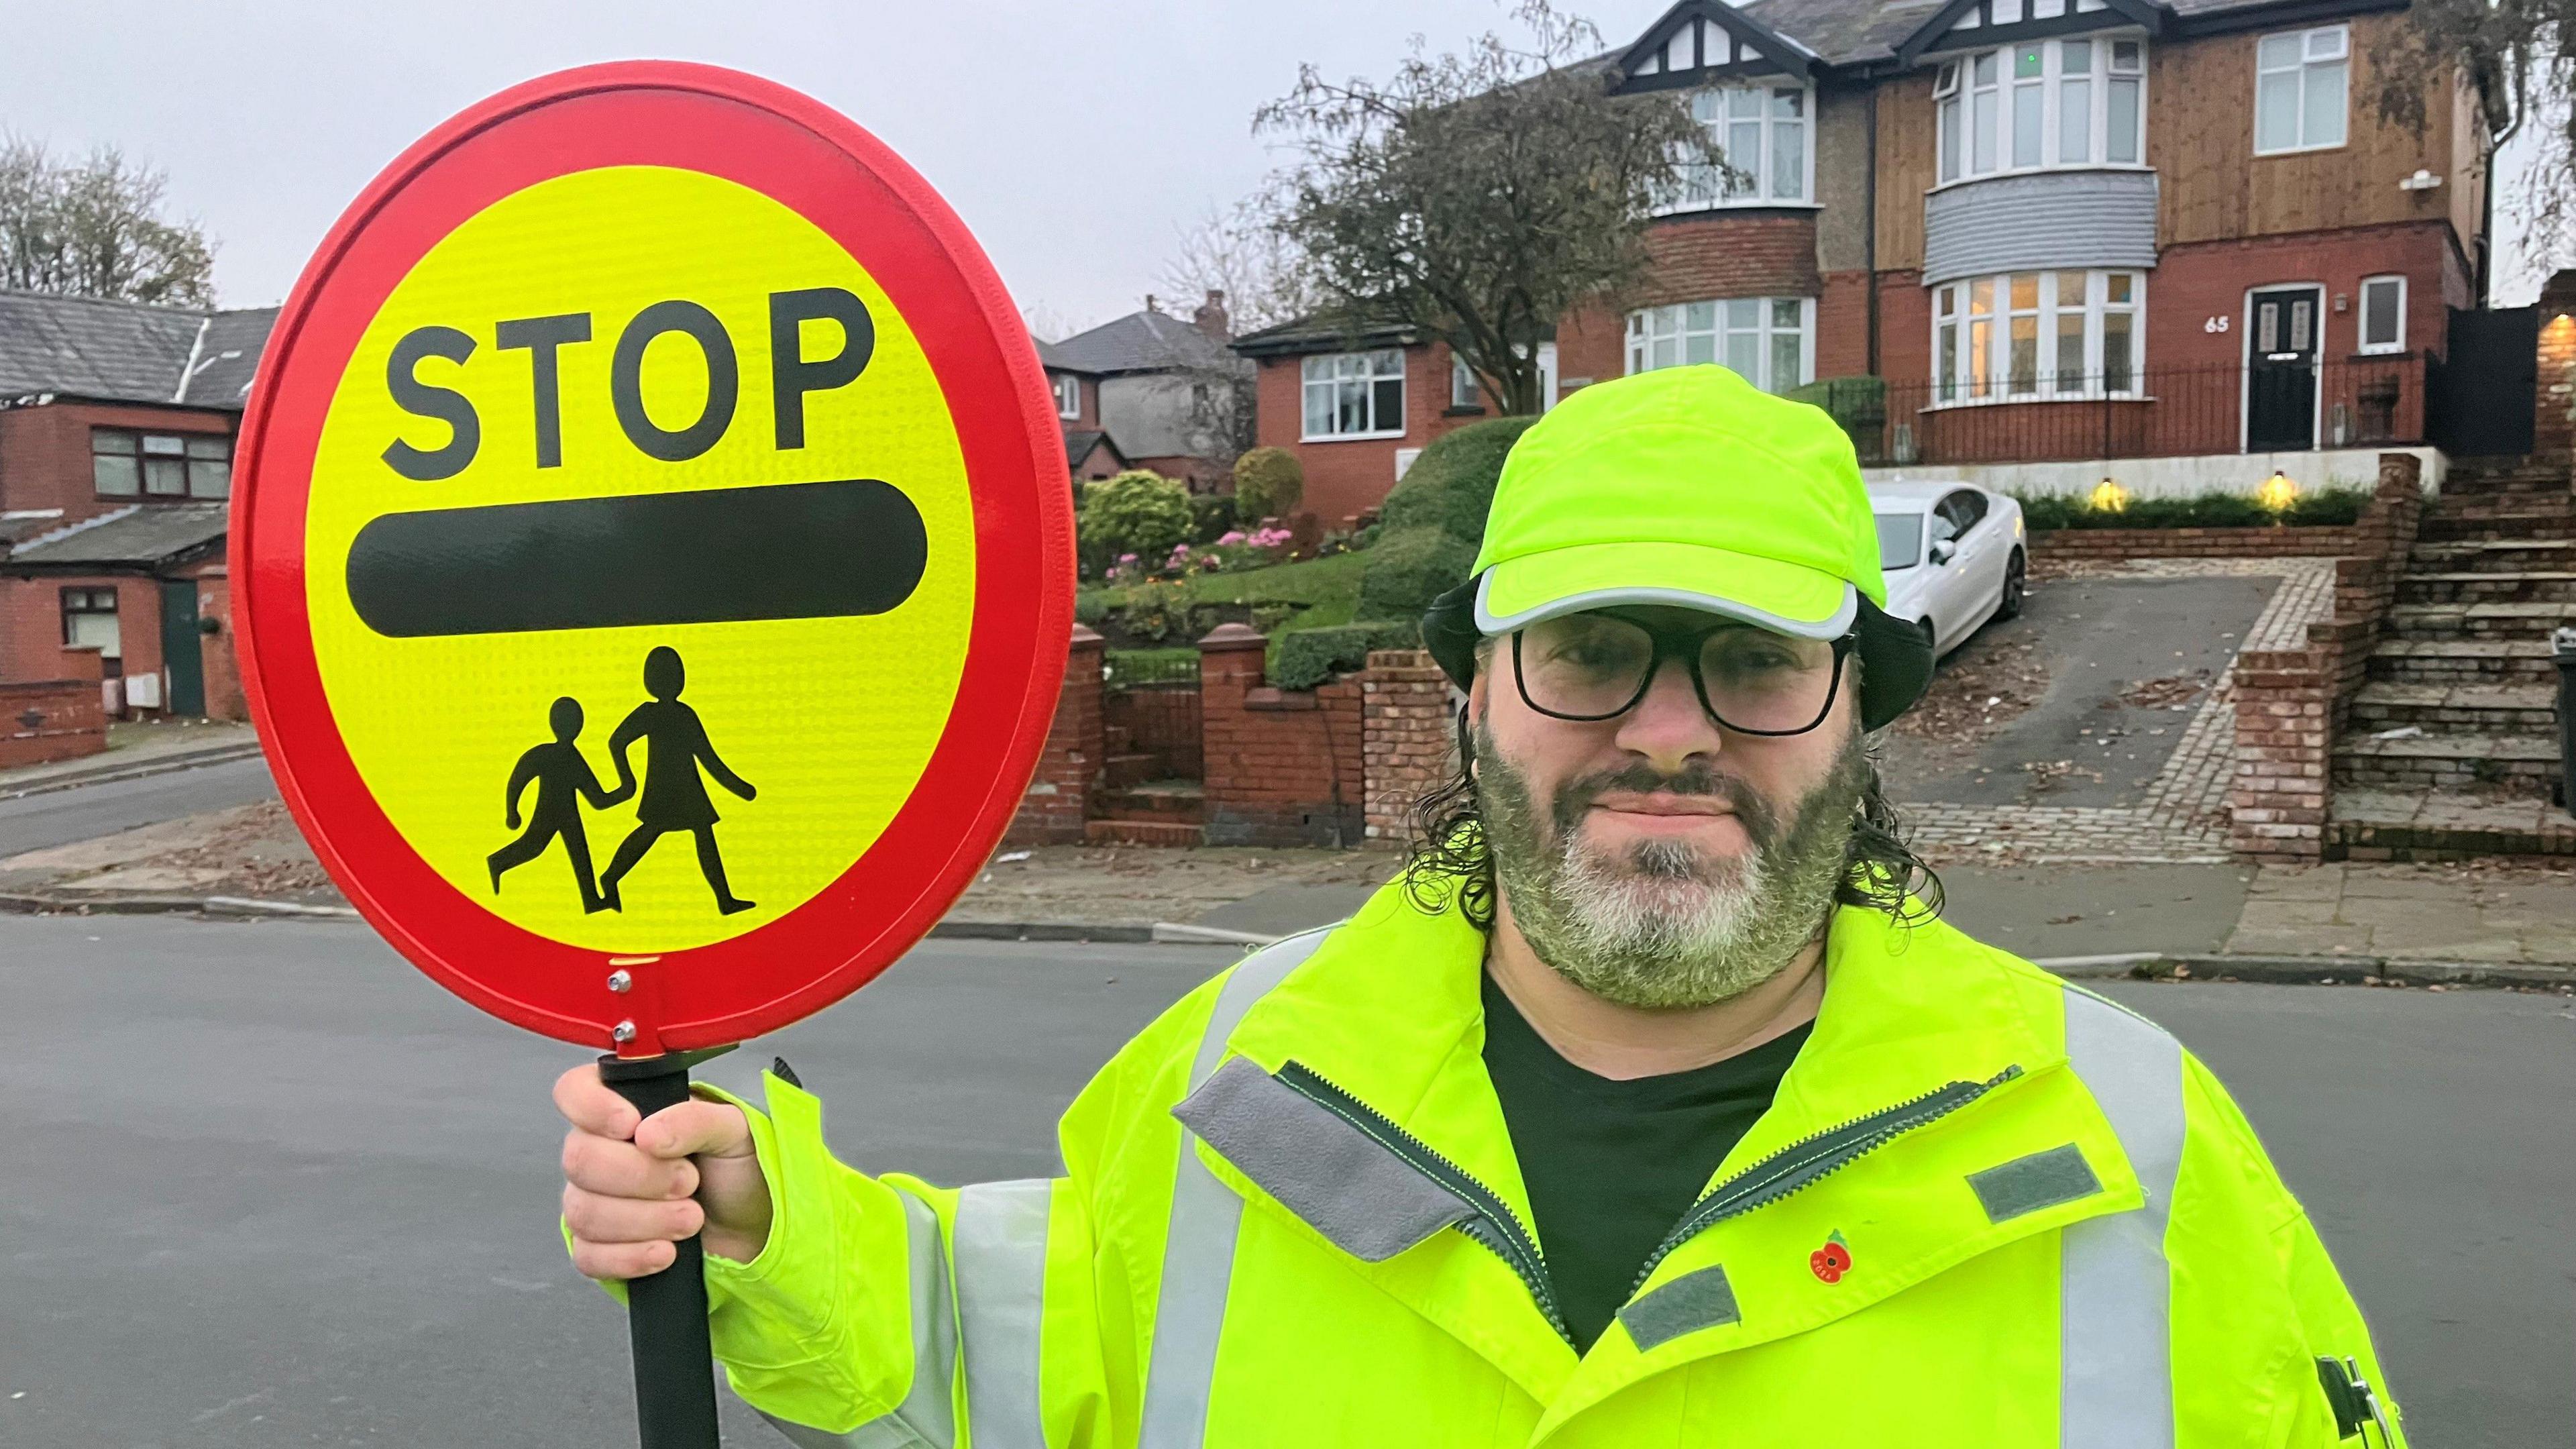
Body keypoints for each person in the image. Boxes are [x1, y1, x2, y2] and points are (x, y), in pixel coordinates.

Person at [554, 368, 2406, 1446]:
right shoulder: (1234, 1081)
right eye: (1593, 652)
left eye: (1756, 663)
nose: (1667, 737)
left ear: (1861, 714)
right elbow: (983, 1326)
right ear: (1473, 698)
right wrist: (765, 1212)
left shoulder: (2140, 1151)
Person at [596, 645, 758, 916]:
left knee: (700, 834)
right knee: (651, 833)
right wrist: (628, 780)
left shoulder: (685, 714)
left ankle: (724, 899)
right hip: (664, 788)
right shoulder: (651, 713)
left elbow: (708, 757)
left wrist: (739, 787)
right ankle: (611, 876)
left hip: (687, 787)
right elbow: (617, 741)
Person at [488, 695, 623, 913]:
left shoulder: (567, 756)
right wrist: (512, 811)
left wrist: (623, 792)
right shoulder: (554, 755)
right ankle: (497, 863)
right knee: (534, 847)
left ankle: (591, 900)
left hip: (568, 815)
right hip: (550, 813)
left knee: (579, 854)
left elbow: (597, 798)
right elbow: (520, 777)